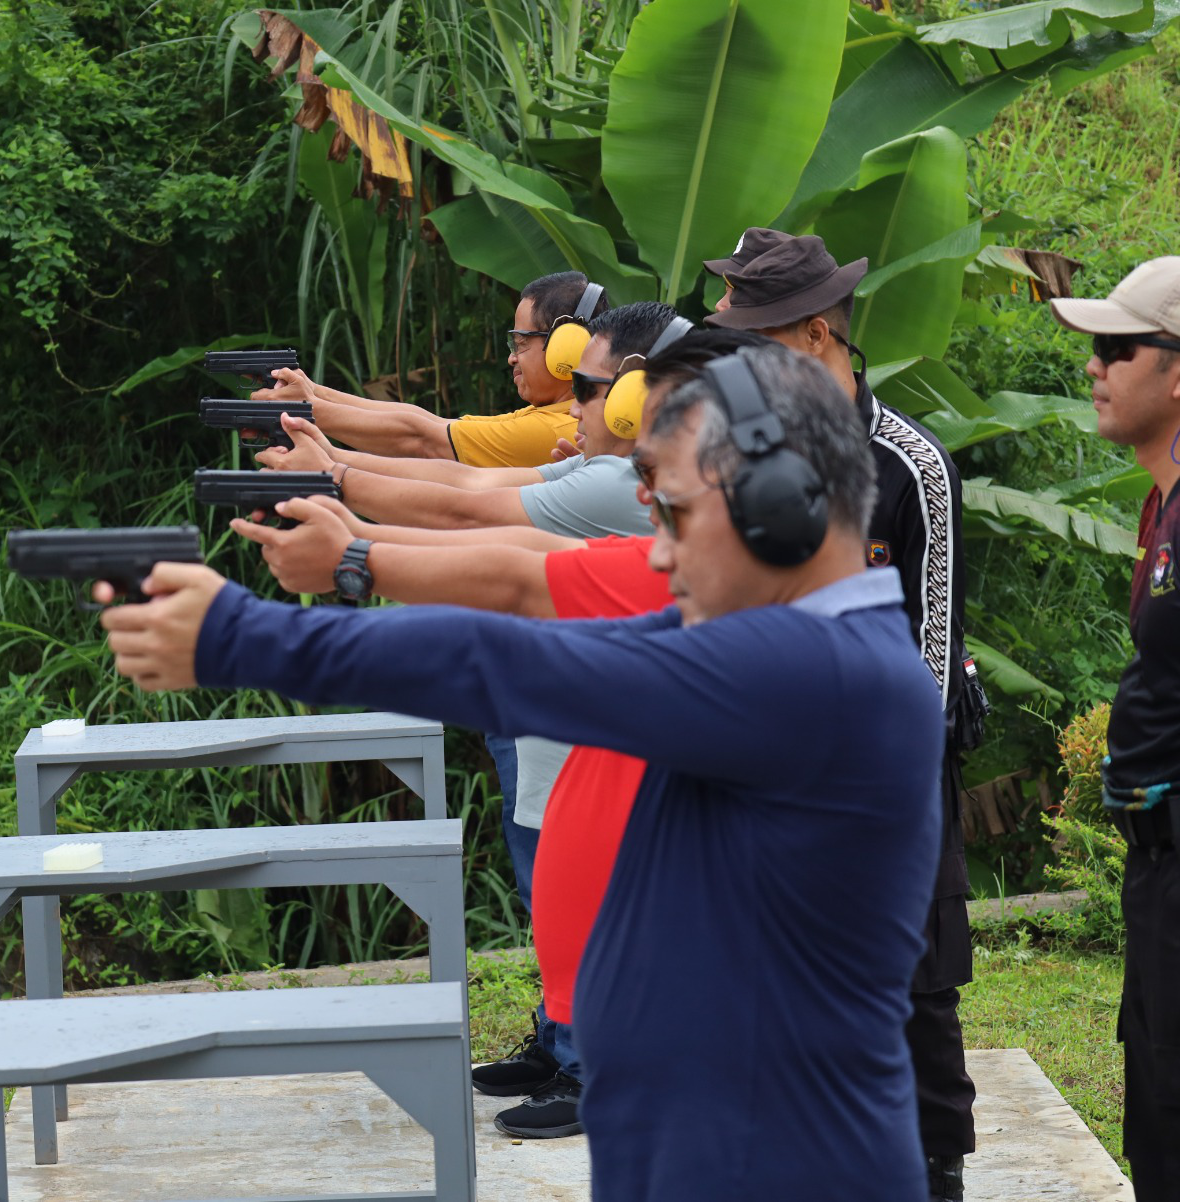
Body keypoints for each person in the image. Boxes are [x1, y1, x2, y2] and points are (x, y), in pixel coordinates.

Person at [97, 343, 945, 1201]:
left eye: (677, 515)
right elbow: (520, 631)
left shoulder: (813, 675)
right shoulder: (791, 649)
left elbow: (499, 664)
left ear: (781, 507)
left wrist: (239, 636)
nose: (657, 555)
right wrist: (352, 556)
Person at [248, 301, 684, 1139]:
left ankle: (593, 1063)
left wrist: (350, 533)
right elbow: (470, 498)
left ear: (638, 399)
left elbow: (474, 517)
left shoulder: (619, 484)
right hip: (557, 717)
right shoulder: (611, 473)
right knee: (553, 891)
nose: (570, 401)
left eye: (587, 388)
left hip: (587, 730)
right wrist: (343, 495)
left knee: (586, 900)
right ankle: (570, 1049)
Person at [707, 231, 979, 1202]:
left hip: (895, 788)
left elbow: (934, 653)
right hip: (781, 785)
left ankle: (936, 1173)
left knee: (914, 1000)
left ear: (817, 333)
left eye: (758, 343)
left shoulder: (909, 466)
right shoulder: (746, 454)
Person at [1050, 257, 1180, 1200]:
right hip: (1156, 865)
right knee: (1155, 1101)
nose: (1094, 367)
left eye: (1116, 347)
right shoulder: (1161, 504)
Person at [253, 302, 675, 540]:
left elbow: (458, 498)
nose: (575, 407)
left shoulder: (609, 469)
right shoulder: (599, 453)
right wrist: (324, 444)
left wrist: (331, 474)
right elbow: (463, 479)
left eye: (522, 343)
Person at [248, 272, 606, 466]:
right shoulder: (552, 413)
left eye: (521, 343)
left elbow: (421, 439)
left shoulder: (562, 428)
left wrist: (304, 412)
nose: (512, 356)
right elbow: (430, 425)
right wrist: (312, 393)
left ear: (568, 346)